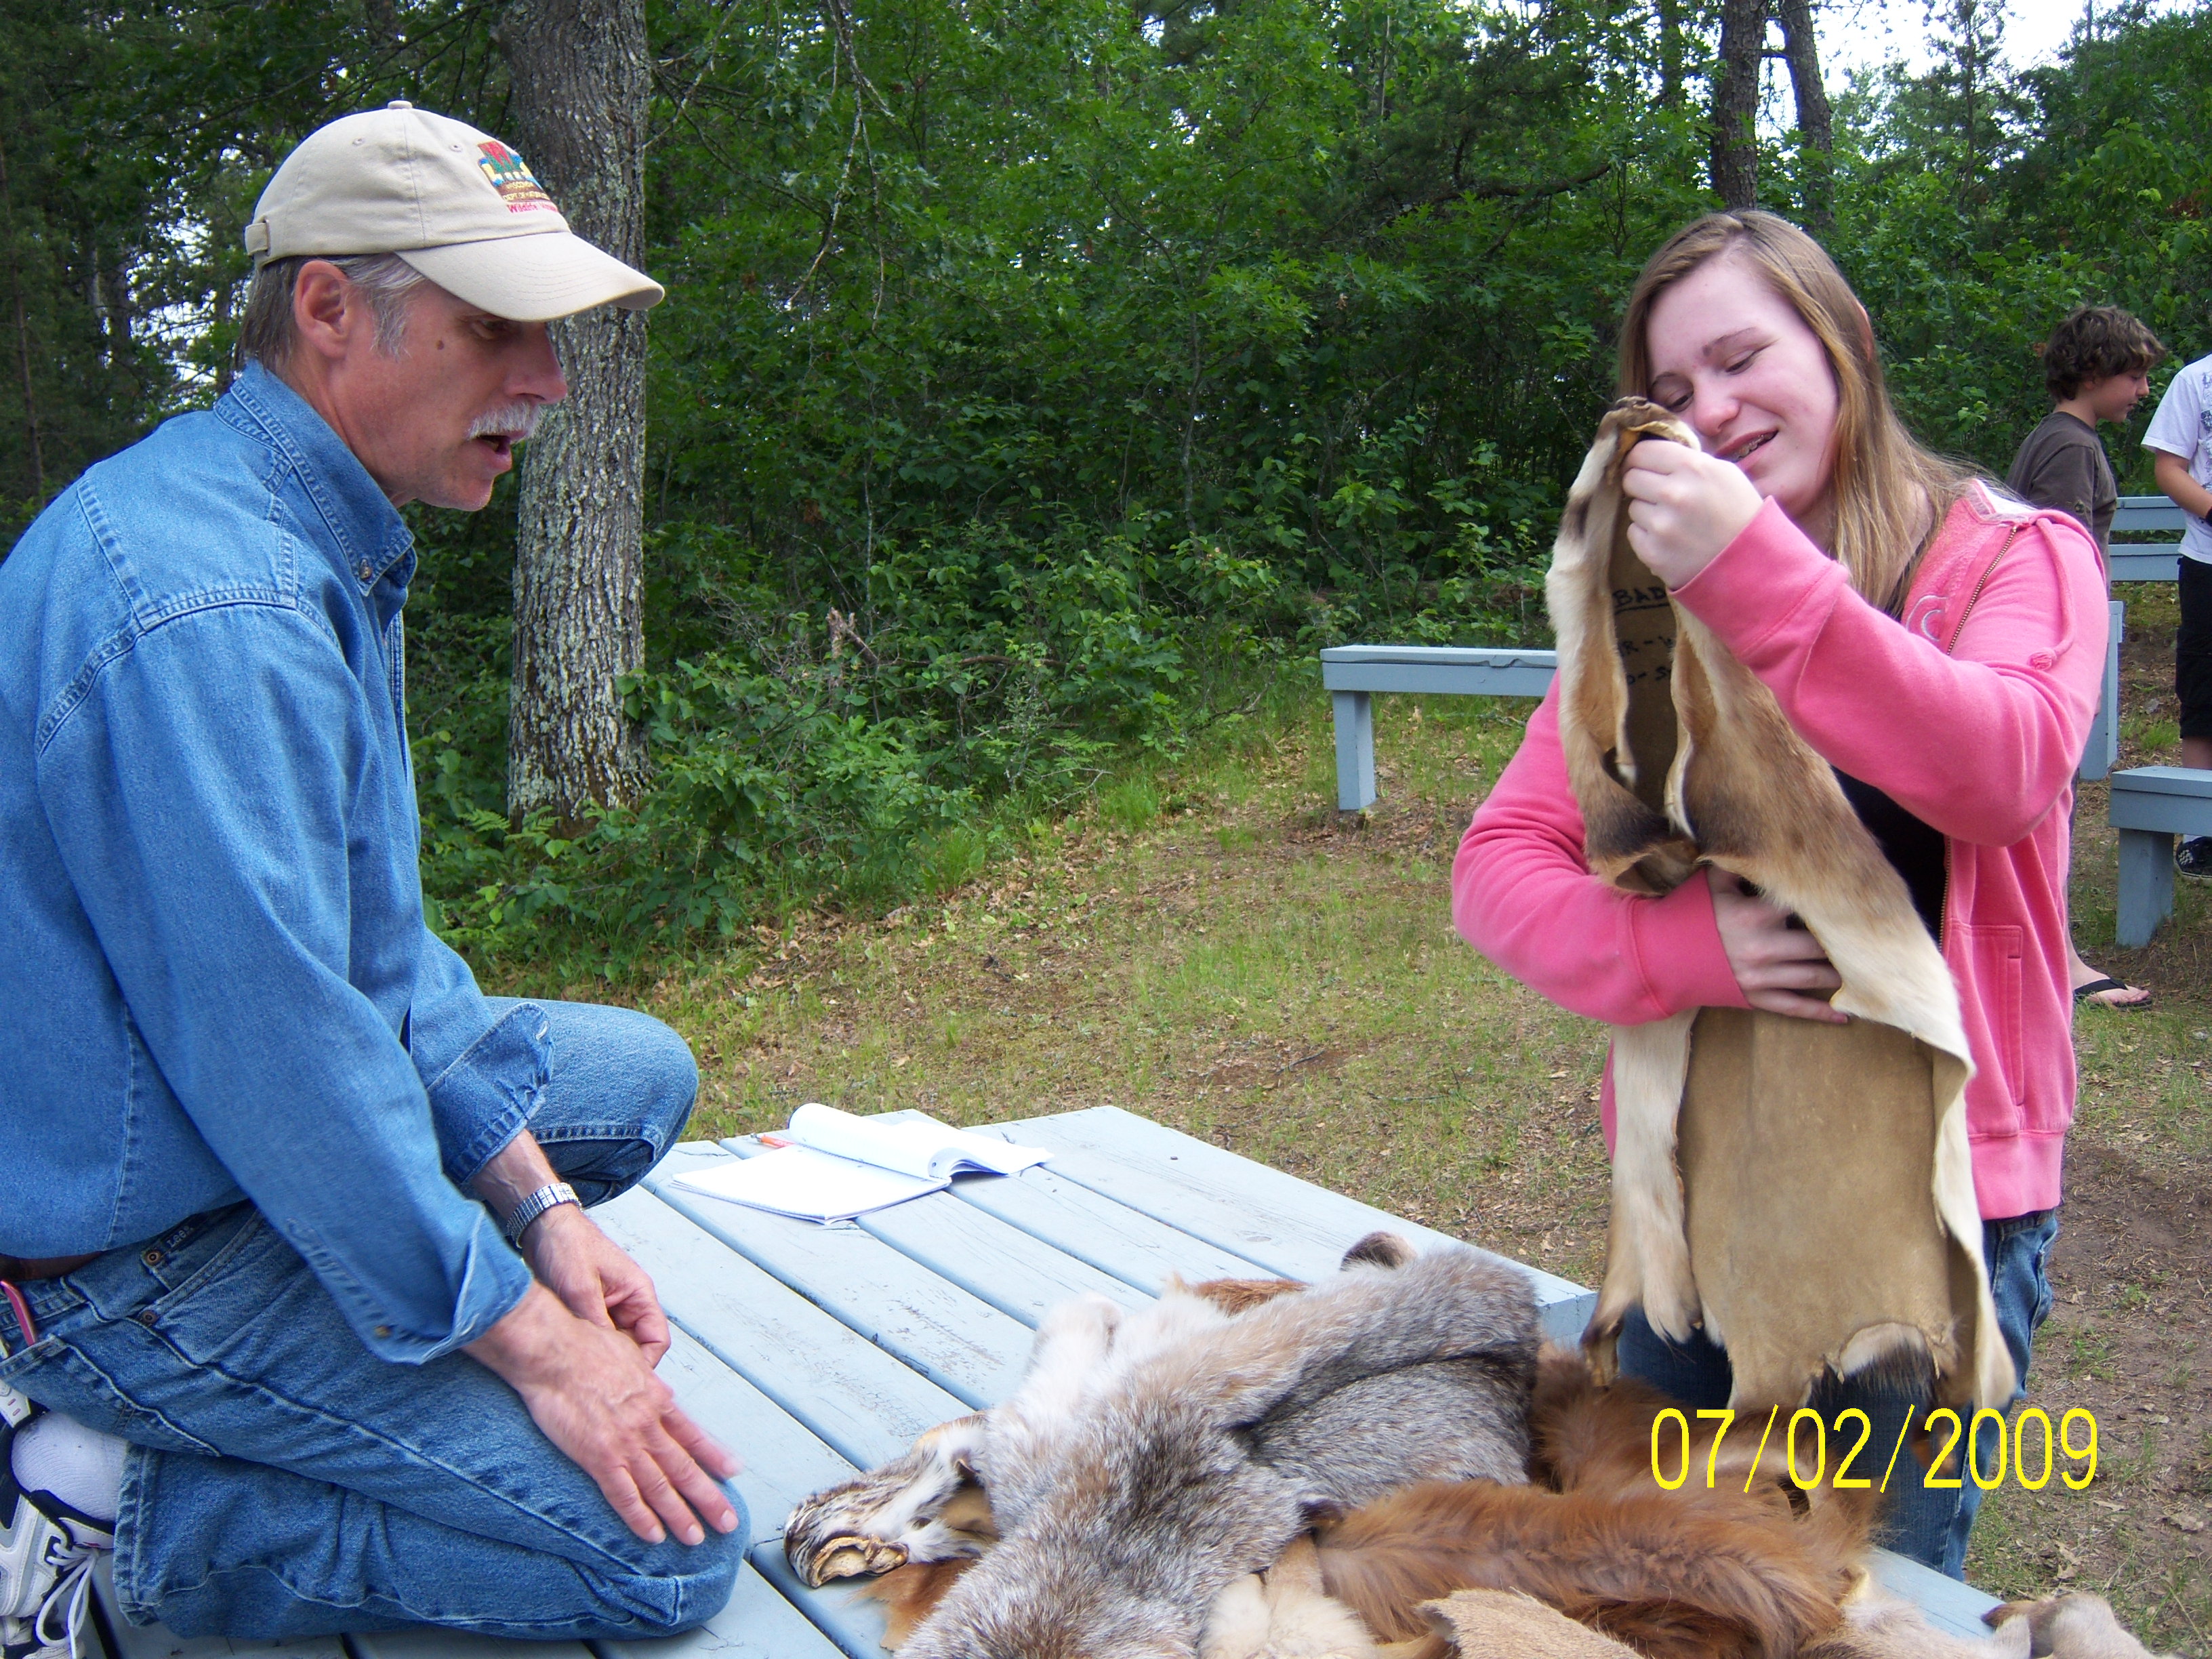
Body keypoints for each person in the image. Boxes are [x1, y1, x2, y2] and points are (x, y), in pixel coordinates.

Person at [0, 103, 747, 1657]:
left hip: (207, 1124)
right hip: (120, 1264)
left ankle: (382, 1280)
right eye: (497, 328)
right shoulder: (214, 604)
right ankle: (100, 1501)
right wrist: (538, 1342)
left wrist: (540, 1208)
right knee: (664, 1561)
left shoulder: (296, 526)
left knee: (629, 1081)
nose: (545, 380)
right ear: (331, 307)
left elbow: (380, 960)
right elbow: (289, 1061)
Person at [1454, 211, 2106, 1578]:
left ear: (1844, 342)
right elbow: (1498, 864)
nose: (1710, 410)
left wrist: (1750, 571)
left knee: (1861, 1598)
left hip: (1919, 1228)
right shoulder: (1654, 614)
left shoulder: (2012, 556)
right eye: (1671, 389)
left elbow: (1999, 770)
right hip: (1693, 1201)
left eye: (1742, 358)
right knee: (1678, 1576)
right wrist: (1680, 946)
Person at [2007, 304, 2165, 1008]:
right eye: (2134, 376)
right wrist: (2073, 658)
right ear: (2094, 372)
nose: (2143, 391)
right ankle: (2059, 961)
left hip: (2048, 649)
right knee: (2050, 805)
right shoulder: (2070, 447)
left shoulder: (2063, 440)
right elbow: (2057, 559)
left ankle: (2045, 950)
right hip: (2052, 650)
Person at [2143, 330, 2212, 874]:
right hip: (2206, 562)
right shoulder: (2197, 380)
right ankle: (2199, 832)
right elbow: (2169, 467)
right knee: (2204, 691)